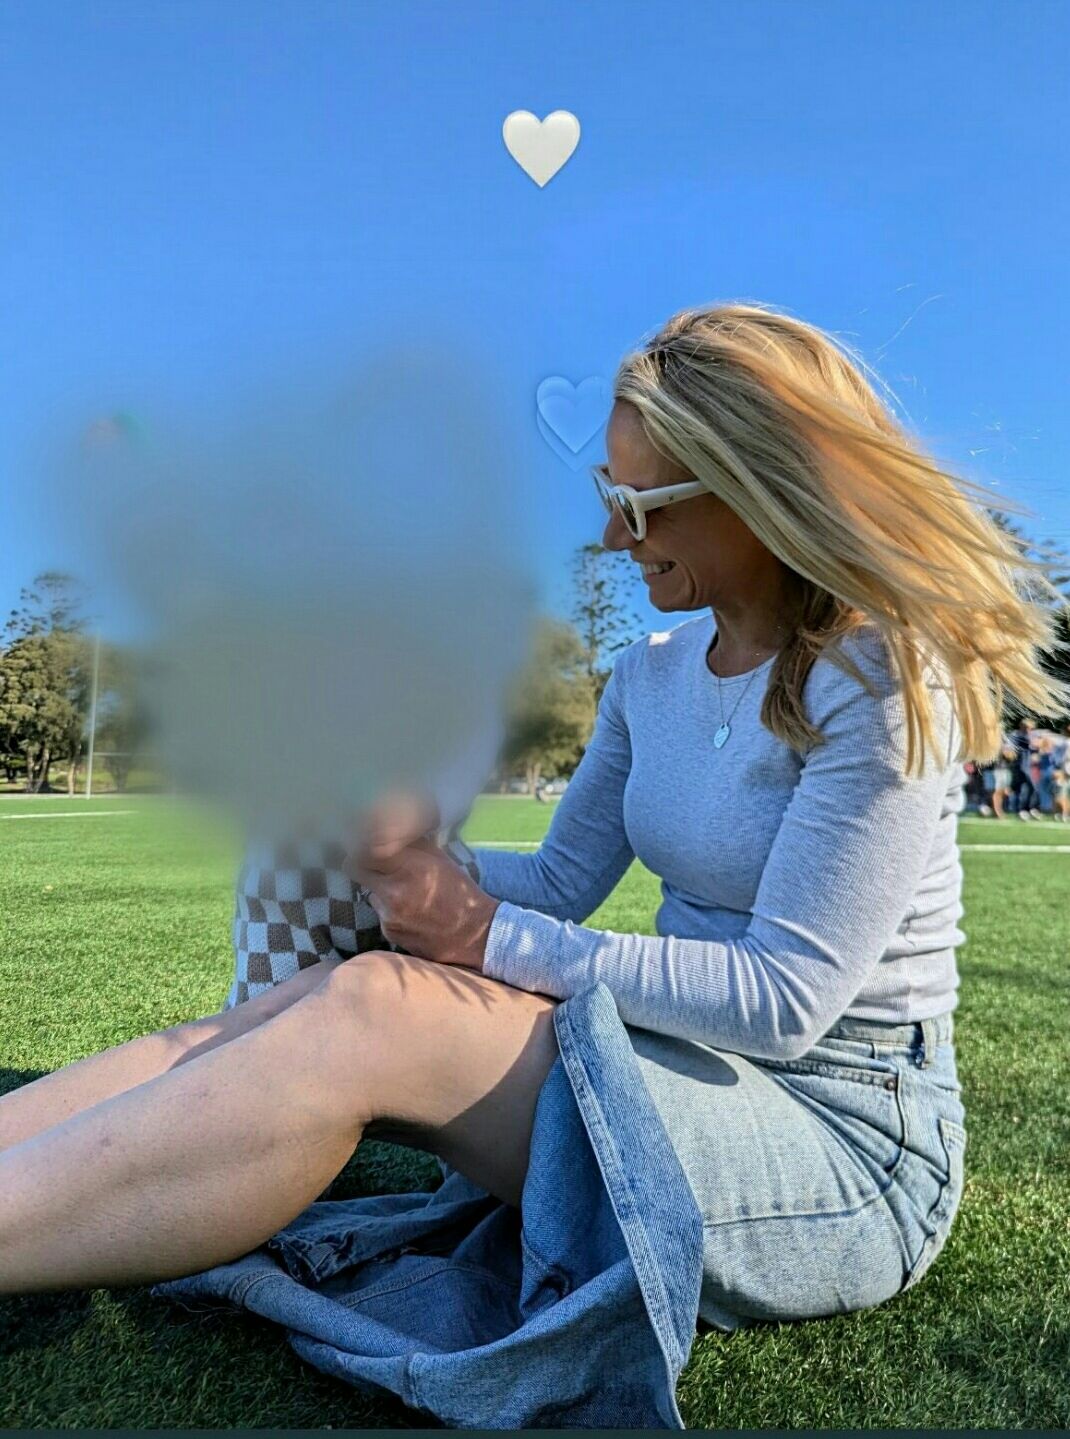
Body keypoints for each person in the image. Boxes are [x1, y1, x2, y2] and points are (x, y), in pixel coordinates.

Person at [3, 302, 1068, 1427]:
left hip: (849, 1135)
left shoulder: (882, 673)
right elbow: (560, 883)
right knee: (332, 978)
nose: (610, 534)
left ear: (752, 490)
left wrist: (478, 931)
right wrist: (402, 853)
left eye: (637, 503)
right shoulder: (648, 675)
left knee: (377, 1007)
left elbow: (783, 999)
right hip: (681, 1058)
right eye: (608, 494)